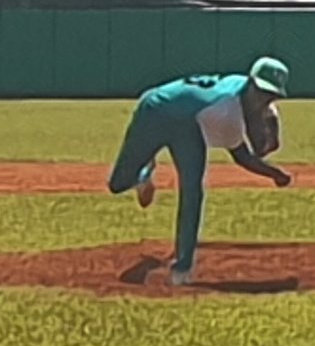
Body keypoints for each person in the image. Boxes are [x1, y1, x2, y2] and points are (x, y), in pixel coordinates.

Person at [108, 56, 294, 285]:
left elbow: (259, 142)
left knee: (193, 191)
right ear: (251, 83)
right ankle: (143, 176)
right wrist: (275, 174)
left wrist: (267, 120)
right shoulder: (226, 113)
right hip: (155, 111)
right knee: (117, 184)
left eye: (271, 96)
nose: (264, 99)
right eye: (262, 92)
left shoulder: (239, 83)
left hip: (187, 122)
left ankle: (182, 269)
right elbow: (244, 157)